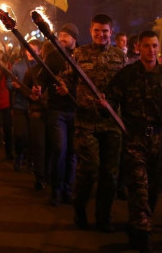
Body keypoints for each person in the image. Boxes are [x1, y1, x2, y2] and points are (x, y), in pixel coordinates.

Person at [106, 30, 162, 252]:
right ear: (138, 48)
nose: (151, 50)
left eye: (154, 46)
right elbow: (111, 97)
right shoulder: (128, 74)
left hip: (160, 141)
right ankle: (143, 233)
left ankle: (137, 225)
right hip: (135, 140)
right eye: (147, 46)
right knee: (139, 187)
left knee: (154, 189)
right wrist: (105, 105)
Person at [59, 14, 127, 232]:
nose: (101, 34)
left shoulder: (120, 56)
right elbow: (65, 78)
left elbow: (127, 87)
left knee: (110, 174)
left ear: (111, 32)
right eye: (97, 30)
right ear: (90, 31)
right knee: (89, 169)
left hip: (112, 124)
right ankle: (79, 209)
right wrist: (62, 86)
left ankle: (103, 217)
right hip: (86, 123)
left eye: (105, 31)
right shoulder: (78, 55)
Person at [38, 23, 79, 205]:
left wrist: (70, 90)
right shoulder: (53, 56)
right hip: (57, 111)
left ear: (74, 38)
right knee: (60, 150)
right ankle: (56, 190)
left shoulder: (81, 56)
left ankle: (68, 190)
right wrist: (38, 88)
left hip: (75, 110)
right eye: (60, 35)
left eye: (65, 36)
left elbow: (86, 83)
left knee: (72, 153)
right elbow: (42, 78)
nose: (61, 39)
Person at [9, 39, 42, 175]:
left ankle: (31, 159)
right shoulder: (17, 66)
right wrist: (14, 85)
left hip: (35, 107)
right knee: (20, 134)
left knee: (33, 136)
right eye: (28, 49)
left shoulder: (41, 67)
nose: (30, 52)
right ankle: (19, 155)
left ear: (39, 51)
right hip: (20, 105)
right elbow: (8, 83)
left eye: (33, 50)